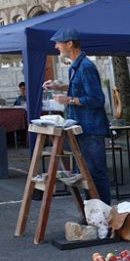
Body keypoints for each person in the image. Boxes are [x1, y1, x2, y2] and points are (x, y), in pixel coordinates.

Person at [44, 29, 111, 205]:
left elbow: (97, 99)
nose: (56, 46)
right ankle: (93, 214)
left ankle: (103, 217)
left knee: (95, 173)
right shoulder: (76, 66)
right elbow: (81, 88)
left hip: (91, 129)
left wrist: (69, 99)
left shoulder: (86, 66)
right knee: (87, 173)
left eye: (58, 42)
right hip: (82, 128)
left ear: (70, 44)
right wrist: (59, 87)